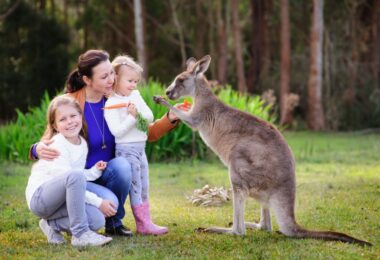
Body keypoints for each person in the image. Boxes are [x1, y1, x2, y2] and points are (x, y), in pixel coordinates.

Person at [29, 49, 180, 237]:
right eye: (104, 76)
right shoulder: (71, 103)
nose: (111, 80)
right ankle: (56, 221)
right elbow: (51, 137)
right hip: (80, 178)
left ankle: (114, 224)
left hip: (106, 171)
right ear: (87, 80)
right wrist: (36, 149)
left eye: (112, 73)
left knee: (123, 167)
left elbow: (145, 132)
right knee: (102, 207)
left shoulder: (118, 98)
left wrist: (170, 118)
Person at [26, 96, 113, 247]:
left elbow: (76, 178)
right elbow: (72, 177)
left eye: (73, 116)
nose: (70, 122)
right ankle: (80, 235)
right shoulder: (57, 144)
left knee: (97, 219)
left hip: (60, 200)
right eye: (63, 119)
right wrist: (99, 202)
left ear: (81, 115)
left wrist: (94, 171)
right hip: (40, 198)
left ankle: (51, 225)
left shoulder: (82, 144)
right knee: (77, 179)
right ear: (55, 125)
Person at [104, 55, 167, 235]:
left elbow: (149, 117)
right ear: (115, 78)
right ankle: (143, 224)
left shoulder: (135, 95)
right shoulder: (111, 104)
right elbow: (117, 132)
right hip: (126, 150)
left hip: (141, 148)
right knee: (136, 187)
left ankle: (145, 223)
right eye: (129, 80)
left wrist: (136, 113)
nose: (133, 85)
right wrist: (132, 117)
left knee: (145, 184)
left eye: (136, 81)